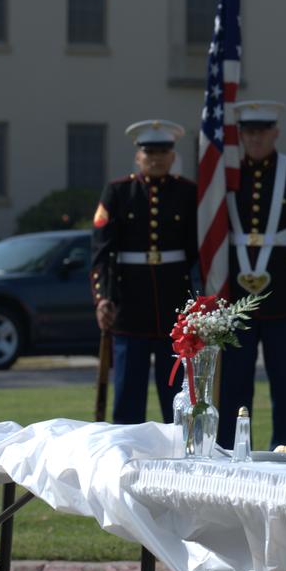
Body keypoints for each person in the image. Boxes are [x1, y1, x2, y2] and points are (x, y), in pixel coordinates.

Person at [216, 101, 286, 452]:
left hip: (285, 292)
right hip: (235, 297)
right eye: (249, 132)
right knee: (235, 380)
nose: (255, 138)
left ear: (275, 133)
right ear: (241, 136)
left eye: (262, 132)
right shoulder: (226, 172)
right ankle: (231, 446)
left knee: (283, 379)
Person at [91, 120, 198, 424]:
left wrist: (199, 303)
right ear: (138, 156)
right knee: (127, 398)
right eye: (149, 151)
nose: (156, 158)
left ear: (173, 155)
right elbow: (100, 253)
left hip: (174, 307)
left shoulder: (188, 193)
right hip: (129, 307)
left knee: (176, 399)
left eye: (163, 151)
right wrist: (102, 299)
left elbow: (197, 254)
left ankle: (179, 457)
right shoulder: (118, 192)